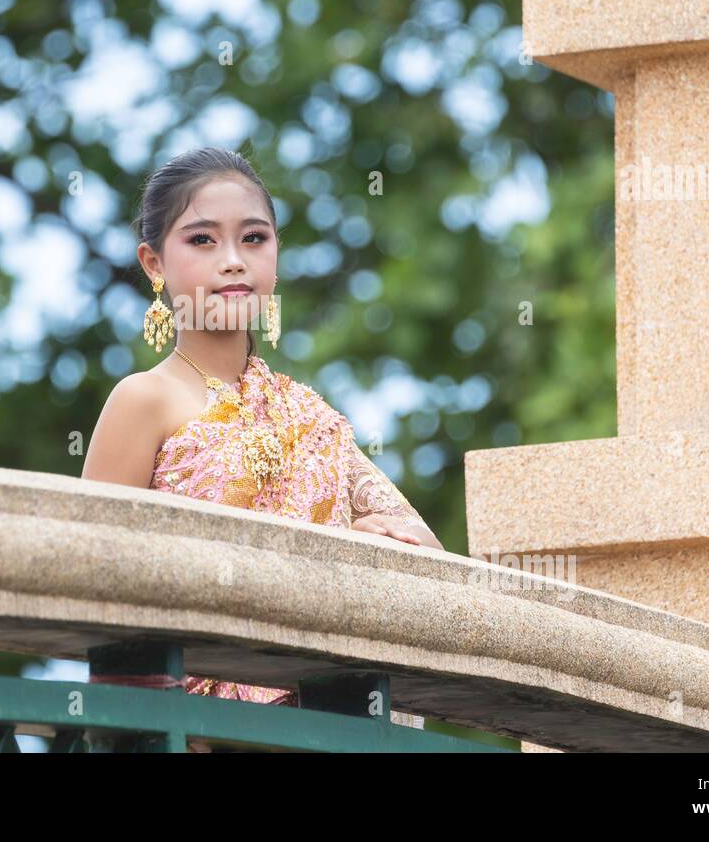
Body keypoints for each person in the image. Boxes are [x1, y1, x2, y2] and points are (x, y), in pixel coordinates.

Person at [82, 147, 443, 748]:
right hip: (196, 733)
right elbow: (93, 578)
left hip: (326, 721)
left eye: (254, 239)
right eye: (202, 241)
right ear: (154, 263)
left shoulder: (311, 417)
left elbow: (425, 552)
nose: (233, 262)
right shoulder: (144, 401)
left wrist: (355, 541)